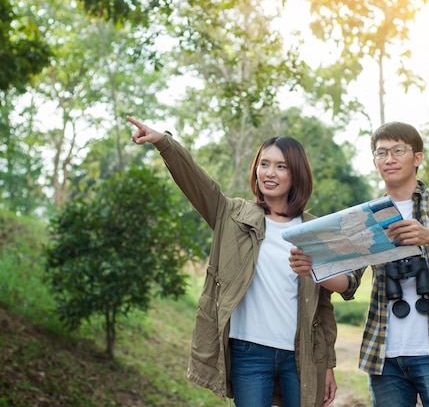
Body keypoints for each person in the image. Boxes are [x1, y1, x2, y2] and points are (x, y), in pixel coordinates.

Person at [127, 116, 338, 407]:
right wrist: (164, 143)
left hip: (300, 355)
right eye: (264, 164)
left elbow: (323, 307)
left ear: (296, 174)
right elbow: (196, 182)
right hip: (250, 354)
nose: (269, 173)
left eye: (281, 166)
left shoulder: (313, 231)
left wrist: (328, 364)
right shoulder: (233, 215)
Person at [290, 121, 429, 407]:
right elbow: (349, 283)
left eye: (397, 150)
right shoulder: (366, 215)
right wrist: (313, 269)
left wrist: (426, 235)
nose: (388, 159)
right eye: (381, 153)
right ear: (374, 161)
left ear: (417, 157)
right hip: (384, 355)